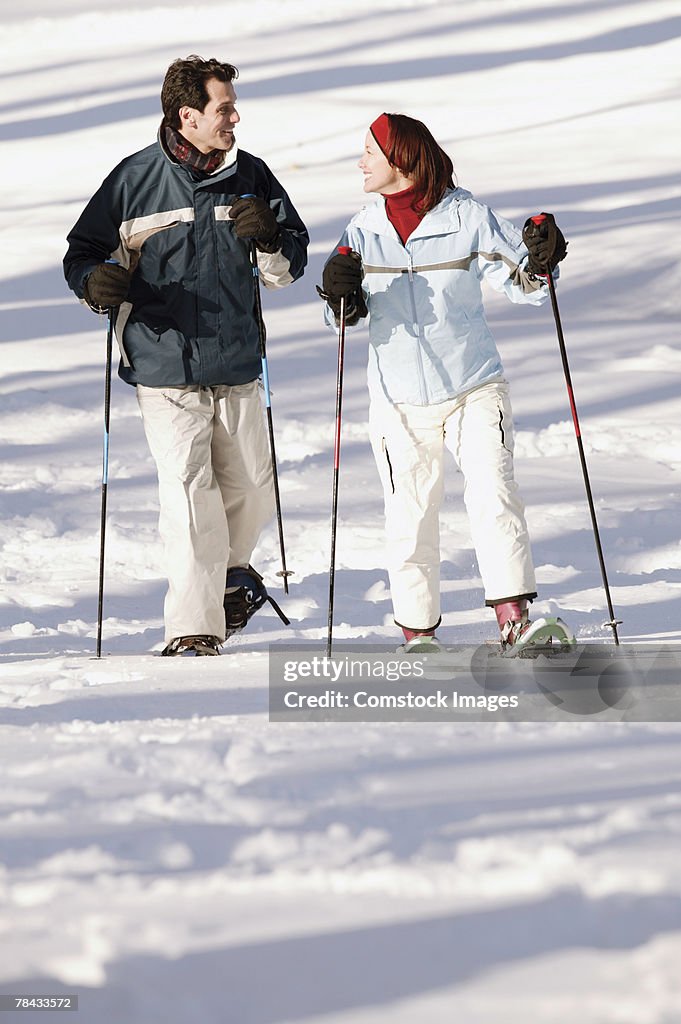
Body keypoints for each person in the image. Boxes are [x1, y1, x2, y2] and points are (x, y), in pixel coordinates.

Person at [64, 55, 308, 656]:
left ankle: (230, 581)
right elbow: (83, 252)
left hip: (236, 363)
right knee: (189, 491)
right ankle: (193, 628)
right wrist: (95, 282)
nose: (234, 118)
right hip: (163, 364)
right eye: (223, 109)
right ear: (188, 115)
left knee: (252, 489)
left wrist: (272, 240)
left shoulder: (251, 176)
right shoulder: (134, 180)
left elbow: (288, 268)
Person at [318, 112, 572, 654]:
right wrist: (339, 297)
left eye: (369, 151)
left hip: (473, 386)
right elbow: (340, 317)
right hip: (397, 400)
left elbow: (527, 283)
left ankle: (514, 618)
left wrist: (543, 253)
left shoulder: (468, 218)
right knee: (408, 514)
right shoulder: (363, 230)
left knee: (493, 493)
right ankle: (418, 632)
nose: (360, 162)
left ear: (401, 160)